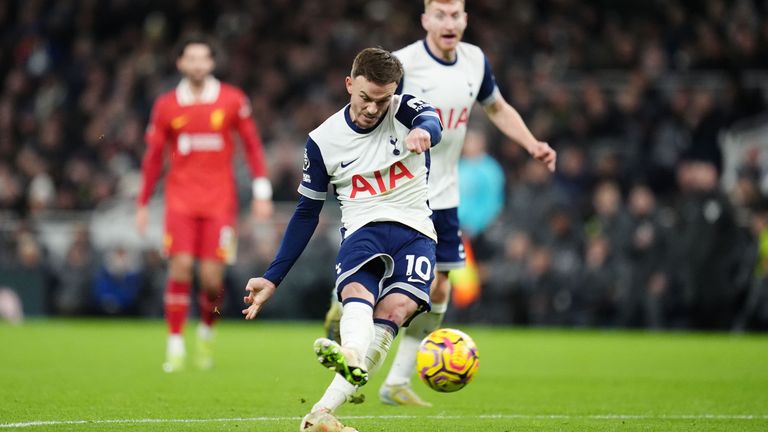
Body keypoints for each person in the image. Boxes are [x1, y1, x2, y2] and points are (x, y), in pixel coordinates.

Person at [325, 0, 557, 407]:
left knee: (440, 287)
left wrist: (531, 143)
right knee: (392, 282)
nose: (449, 23)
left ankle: (395, 380)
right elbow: (364, 115)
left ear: (465, 20)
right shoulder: (403, 64)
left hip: (445, 193)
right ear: (425, 20)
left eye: (456, 15)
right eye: (440, 15)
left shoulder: (475, 62)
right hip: (400, 192)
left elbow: (497, 108)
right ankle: (349, 311)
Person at [241, 47, 443, 432]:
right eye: (365, 97)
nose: (372, 108)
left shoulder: (404, 110)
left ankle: (320, 412)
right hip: (363, 228)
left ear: (394, 92)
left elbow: (432, 121)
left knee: (396, 311)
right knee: (358, 297)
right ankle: (350, 350)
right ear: (350, 85)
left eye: (382, 100)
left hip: (416, 231)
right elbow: (305, 213)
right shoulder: (323, 141)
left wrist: (422, 131)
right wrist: (273, 277)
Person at [136, 36, 273, 373]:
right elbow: (154, 157)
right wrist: (142, 201)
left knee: (212, 282)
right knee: (180, 269)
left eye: (203, 58)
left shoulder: (232, 99)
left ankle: (208, 328)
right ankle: (175, 343)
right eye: (191, 58)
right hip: (180, 201)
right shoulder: (167, 105)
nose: (197, 64)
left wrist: (262, 192)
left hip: (219, 204)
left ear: (211, 64)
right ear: (180, 63)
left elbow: (253, 146)